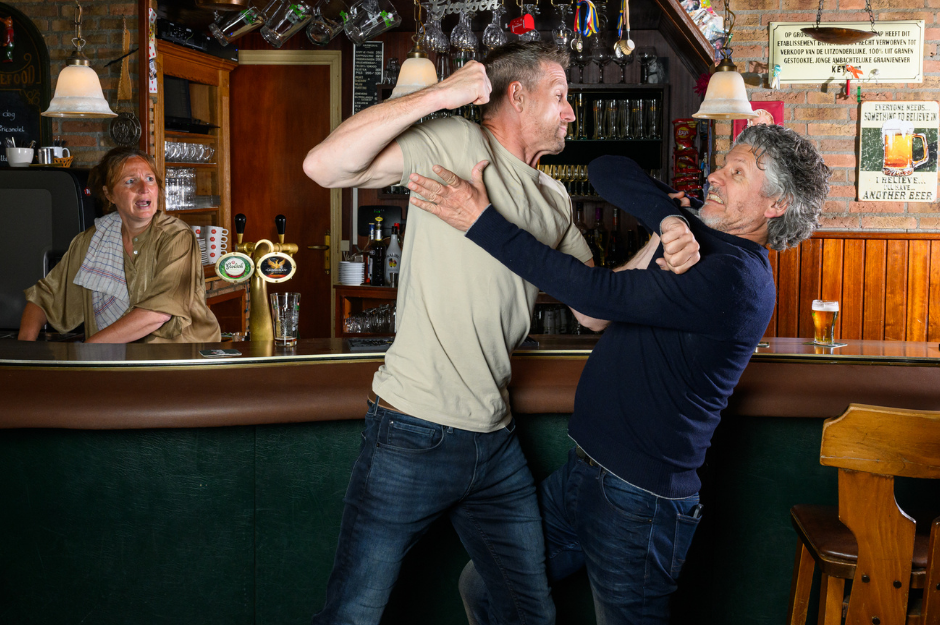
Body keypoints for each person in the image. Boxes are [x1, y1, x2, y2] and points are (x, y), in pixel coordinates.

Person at [302, 41, 701, 625]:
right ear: (516, 95)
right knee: (353, 613)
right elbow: (325, 166)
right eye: (560, 97)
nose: (571, 112)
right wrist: (440, 95)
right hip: (414, 428)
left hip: (494, 440)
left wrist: (659, 242)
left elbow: (593, 309)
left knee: (527, 612)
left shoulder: (553, 194)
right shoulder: (460, 144)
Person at [407, 123, 831, 624]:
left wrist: (480, 220)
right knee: (484, 586)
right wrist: (671, 220)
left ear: (773, 205)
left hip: (638, 502)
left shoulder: (735, 279)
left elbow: (593, 297)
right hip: (583, 476)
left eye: (736, 173)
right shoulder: (697, 238)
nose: (714, 176)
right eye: (723, 164)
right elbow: (607, 168)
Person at [18, 146, 220, 344]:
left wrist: (90, 351)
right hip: (114, 359)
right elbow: (44, 298)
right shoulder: (92, 241)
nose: (144, 188)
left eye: (150, 179)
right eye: (130, 181)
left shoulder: (176, 237)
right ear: (109, 195)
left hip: (178, 359)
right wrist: (25, 350)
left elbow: (157, 313)